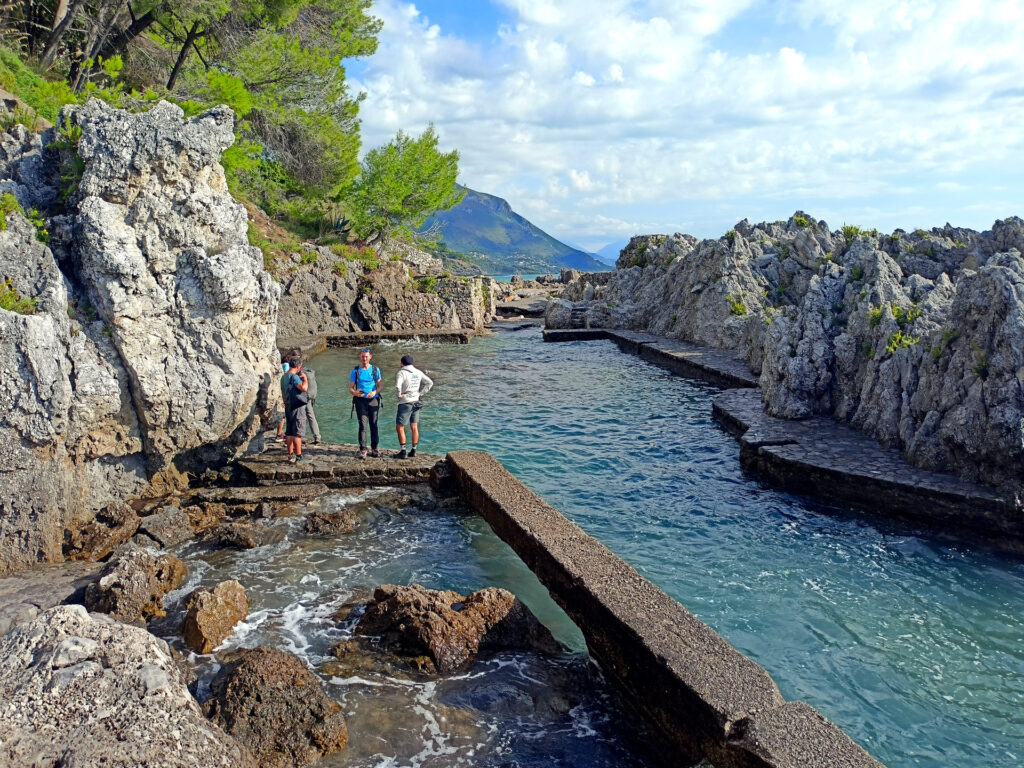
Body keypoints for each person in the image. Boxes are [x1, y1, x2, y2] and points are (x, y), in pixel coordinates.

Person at [395, 354, 433, 459]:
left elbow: (398, 386)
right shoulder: (418, 372)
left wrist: (399, 395)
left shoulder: (401, 372)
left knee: (400, 427)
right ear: (412, 363)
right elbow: (430, 383)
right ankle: (414, 450)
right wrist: (421, 393)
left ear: (402, 363)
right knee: (414, 426)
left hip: (405, 402)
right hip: (416, 401)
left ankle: (403, 452)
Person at [348, 348, 382, 459]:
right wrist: (355, 393)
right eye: (363, 356)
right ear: (360, 357)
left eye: (366, 356)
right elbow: (351, 388)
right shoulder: (355, 370)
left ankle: (374, 447)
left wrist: (374, 392)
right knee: (362, 425)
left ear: (370, 357)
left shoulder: (375, 370)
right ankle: (363, 449)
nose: (364, 358)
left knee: (374, 424)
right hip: (360, 401)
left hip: (373, 400)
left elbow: (380, 386)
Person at [283, 353, 311, 463]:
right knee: (297, 432)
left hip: (288, 405)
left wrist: (285, 402)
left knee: (289, 432)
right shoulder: (294, 377)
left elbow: (283, 393)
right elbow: (303, 388)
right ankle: (299, 456)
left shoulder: (284, 377)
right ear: (299, 367)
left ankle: (290, 455)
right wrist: (305, 379)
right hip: (297, 406)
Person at [275, 360, 290, 442]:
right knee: (283, 416)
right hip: (283, 398)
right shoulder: (285, 377)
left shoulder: (281, 377)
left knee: (283, 416)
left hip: (281, 397)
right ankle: (280, 434)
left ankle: (279, 434)